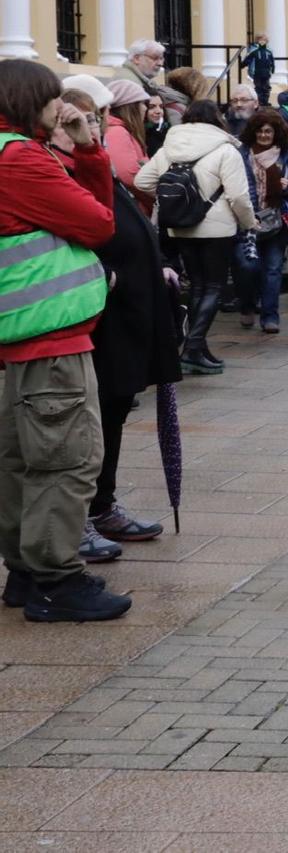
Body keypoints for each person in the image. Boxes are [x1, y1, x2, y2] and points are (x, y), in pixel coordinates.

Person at [0, 60, 132, 621]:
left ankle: (27, 574)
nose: (64, 109)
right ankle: (57, 577)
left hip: (21, 337)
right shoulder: (22, 159)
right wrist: (88, 150)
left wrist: (88, 149)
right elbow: (101, 223)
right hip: (49, 335)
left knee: (21, 461)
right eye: (55, 99)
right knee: (67, 460)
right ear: (31, 100)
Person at [64, 89, 173, 557]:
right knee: (90, 424)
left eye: (98, 117)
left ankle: (102, 505)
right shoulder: (59, 166)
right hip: (98, 320)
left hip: (129, 312)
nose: (94, 128)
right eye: (84, 120)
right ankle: (84, 514)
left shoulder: (95, 161)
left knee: (114, 414)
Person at [136, 100, 256, 373]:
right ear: (217, 119)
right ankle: (192, 348)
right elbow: (238, 196)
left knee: (199, 286)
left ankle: (199, 348)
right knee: (213, 287)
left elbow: (143, 180)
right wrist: (249, 223)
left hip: (180, 226)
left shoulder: (170, 147)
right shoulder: (226, 150)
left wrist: (176, 202)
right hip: (217, 229)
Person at [235, 108, 288, 334]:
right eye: (260, 131)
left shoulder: (287, 153)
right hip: (247, 219)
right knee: (246, 266)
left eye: (268, 131)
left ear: (276, 132)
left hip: (276, 218)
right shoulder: (241, 153)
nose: (264, 135)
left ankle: (270, 317)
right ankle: (247, 305)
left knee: (272, 269)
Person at [100, 80, 151, 197]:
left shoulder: (121, 130)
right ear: (129, 106)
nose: (145, 108)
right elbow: (128, 175)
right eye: (142, 103)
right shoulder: (117, 132)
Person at [239, 35, 277, 106]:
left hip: (266, 73)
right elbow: (248, 59)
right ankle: (260, 101)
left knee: (266, 87)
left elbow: (272, 61)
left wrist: (272, 69)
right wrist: (242, 65)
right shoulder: (254, 51)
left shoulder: (268, 52)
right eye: (261, 40)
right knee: (258, 87)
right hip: (257, 72)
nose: (263, 42)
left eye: (264, 40)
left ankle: (265, 101)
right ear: (258, 41)